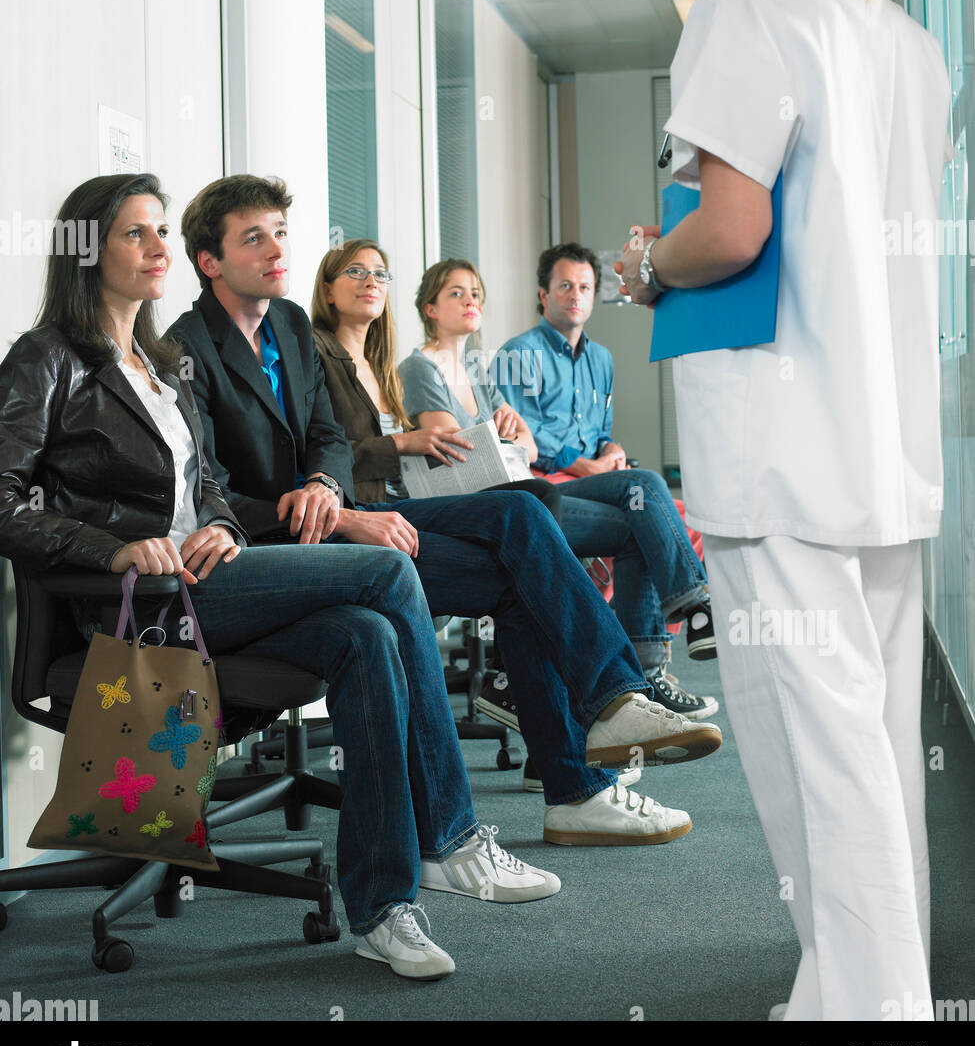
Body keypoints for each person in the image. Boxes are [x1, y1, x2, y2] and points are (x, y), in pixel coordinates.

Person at [0, 173, 572, 985]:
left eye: (162, 231)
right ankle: (447, 835)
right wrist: (111, 548)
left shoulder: (163, 362)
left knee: (367, 637)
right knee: (382, 572)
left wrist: (228, 530)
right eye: (137, 234)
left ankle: (383, 908)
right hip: (137, 608)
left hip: (211, 580)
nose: (159, 248)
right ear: (87, 250)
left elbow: (204, 489)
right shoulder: (47, 359)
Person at [617, 0, 952, 1022]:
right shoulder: (909, 46)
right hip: (881, 448)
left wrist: (651, 260)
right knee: (869, 748)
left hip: (780, 452)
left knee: (825, 754)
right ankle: (851, 991)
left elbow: (734, 228)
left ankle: (873, 1025)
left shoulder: (747, 16)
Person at [167, 180, 722, 848]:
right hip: (284, 547)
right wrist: (325, 511)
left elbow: (329, 438)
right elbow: (207, 489)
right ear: (209, 261)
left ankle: (611, 711)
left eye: (280, 232)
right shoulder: (185, 350)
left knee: (520, 514)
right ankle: (577, 778)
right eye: (253, 237)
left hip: (350, 511)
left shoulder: (285, 323)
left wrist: (322, 480)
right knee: (520, 559)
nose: (276, 248)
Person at [401, 255, 719, 722]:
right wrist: (509, 436)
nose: (471, 300)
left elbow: (524, 446)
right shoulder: (422, 369)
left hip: (518, 489)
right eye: (456, 293)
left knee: (646, 493)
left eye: (475, 293)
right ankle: (678, 629)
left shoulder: (478, 371)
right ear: (429, 308)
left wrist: (517, 435)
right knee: (643, 506)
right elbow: (460, 454)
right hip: (490, 503)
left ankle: (650, 664)